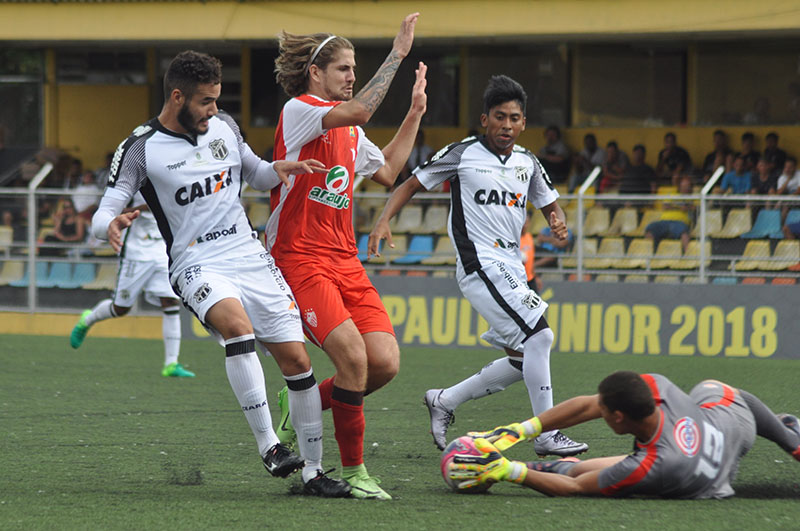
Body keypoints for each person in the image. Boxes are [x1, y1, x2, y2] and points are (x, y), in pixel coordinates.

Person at [88, 50, 350, 497]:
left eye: (216, 100)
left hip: (249, 255)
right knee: (238, 329)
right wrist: (106, 225)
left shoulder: (225, 127)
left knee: (298, 362)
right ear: (177, 97)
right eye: (206, 102)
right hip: (196, 262)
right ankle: (269, 445)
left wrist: (279, 170)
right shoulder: (140, 148)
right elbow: (106, 210)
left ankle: (314, 473)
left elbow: (257, 174)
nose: (213, 110)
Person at [369, 75, 587, 459]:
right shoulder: (463, 153)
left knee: (524, 359)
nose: (506, 125)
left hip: (511, 265)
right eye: (499, 117)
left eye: (514, 118)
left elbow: (548, 201)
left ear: (523, 123)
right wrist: (384, 219)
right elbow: (411, 184)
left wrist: (557, 219)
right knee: (540, 337)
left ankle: (444, 400)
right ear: (484, 119)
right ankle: (547, 431)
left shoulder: (528, 162)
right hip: (479, 262)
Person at [269, 13, 426, 499]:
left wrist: (415, 112)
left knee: (383, 363)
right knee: (354, 357)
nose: (352, 76)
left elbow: (390, 171)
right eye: (344, 68)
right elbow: (358, 110)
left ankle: (299, 406)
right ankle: (355, 471)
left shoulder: (351, 133)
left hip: (345, 260)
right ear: (316, 73)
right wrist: (397, 55)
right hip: (299, 257)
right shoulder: (300, 110)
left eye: (354, 68)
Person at [449, 370, 800, 498]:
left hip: (694, 468)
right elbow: (588, 405)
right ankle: (789, 437)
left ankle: (789, 433)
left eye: (604, 413)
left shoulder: (651, 466)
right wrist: (520, 430)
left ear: (618, 419)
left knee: (574, 474)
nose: (596, 413)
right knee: (712, 387)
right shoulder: (656, 387)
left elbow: (573, 489)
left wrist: (510, 472)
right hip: (733, 428)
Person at [69, 192, 193, 378]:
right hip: (137, 250)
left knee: (170, 301)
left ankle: (171, 363)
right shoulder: (136, 172)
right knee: (121, 308)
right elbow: (123, 206)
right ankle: (87, 320)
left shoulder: (172, 169)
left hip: (161, 249)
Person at [645, 175, 693, 252]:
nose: (685, 188)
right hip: (664, 221)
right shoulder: (672, 195)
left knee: (684, 233)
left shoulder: (693, 197)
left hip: (679, 222)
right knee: (650, 229)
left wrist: (673, 206)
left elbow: (693, 208)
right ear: (679, 186)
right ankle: (649, 254)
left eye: (687, 186)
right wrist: (680, 207)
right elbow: (665, 206)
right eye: (683, 186)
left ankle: (688, 254)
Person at [520, 210, 541, 293]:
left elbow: (531, 261)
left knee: (537, 304)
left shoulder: (529, 237)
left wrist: (536, 277)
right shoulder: (514, 239)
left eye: (527, 222)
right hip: (519, 280)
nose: (525, 225)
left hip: (530, 278)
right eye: (523, 223)